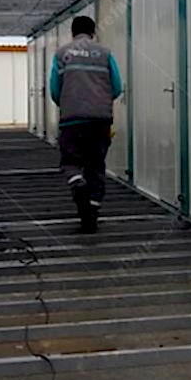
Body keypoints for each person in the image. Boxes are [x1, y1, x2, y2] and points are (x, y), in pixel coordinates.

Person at [49, 15, 123, 232]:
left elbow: (54, 89)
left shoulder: (61, 54)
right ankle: (92, 213)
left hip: (71, 120)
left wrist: (67, 104)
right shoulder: (105, 53)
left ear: (73, 32)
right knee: (96, 165)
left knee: (71, 160)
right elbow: (117, 87)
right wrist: (100, 102)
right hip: (100, 120)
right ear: (93, 32)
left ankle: (77, 182)